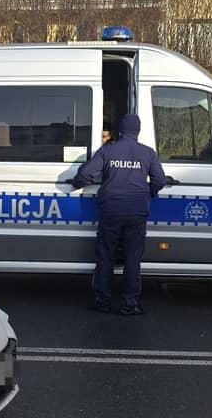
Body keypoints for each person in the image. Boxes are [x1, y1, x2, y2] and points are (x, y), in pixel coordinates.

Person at [68, 114, 168, 316]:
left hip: (111, 211)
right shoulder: (148, 153)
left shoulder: (108, 150)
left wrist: (76, 182)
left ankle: (102, 301)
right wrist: (147, 191)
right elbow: (160, 180)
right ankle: (129, 304)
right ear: (137, 131)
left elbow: (86, 175)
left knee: (106, 257)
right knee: (132, 259)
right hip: (136, 212)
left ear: (120, 130)